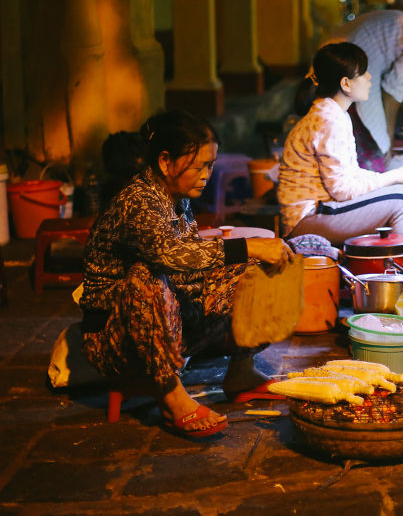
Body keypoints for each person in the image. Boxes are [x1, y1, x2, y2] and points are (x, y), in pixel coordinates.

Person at [79, 109, 296, 438]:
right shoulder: (138, 202)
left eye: (210, 165)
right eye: (200, 166)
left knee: (255, 272)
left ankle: (241, 371)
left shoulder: (175, 199)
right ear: (166, 162)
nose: (207, 174)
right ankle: (170, 394)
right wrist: (247, 246)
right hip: (117, 341)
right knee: (146, 277)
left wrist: (238, 279)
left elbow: (194, 265)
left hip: (171, 323)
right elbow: (169, 255)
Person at [278, 42, 403, 244]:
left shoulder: (331, 113)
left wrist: (396, 178)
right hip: (307, 219)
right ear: (346, 84)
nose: (369, 78)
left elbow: (348, 178)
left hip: (320, 211)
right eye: (363, 73)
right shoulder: (328, 118)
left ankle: (391, 270)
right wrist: (397, 176)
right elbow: (343, 190)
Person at [323, 10, 403, 164]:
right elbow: (392, 91)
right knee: (376, 138)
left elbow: (400, 82)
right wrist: (388, 141)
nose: (370, 77)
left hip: (342, 47)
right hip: (354, 53)